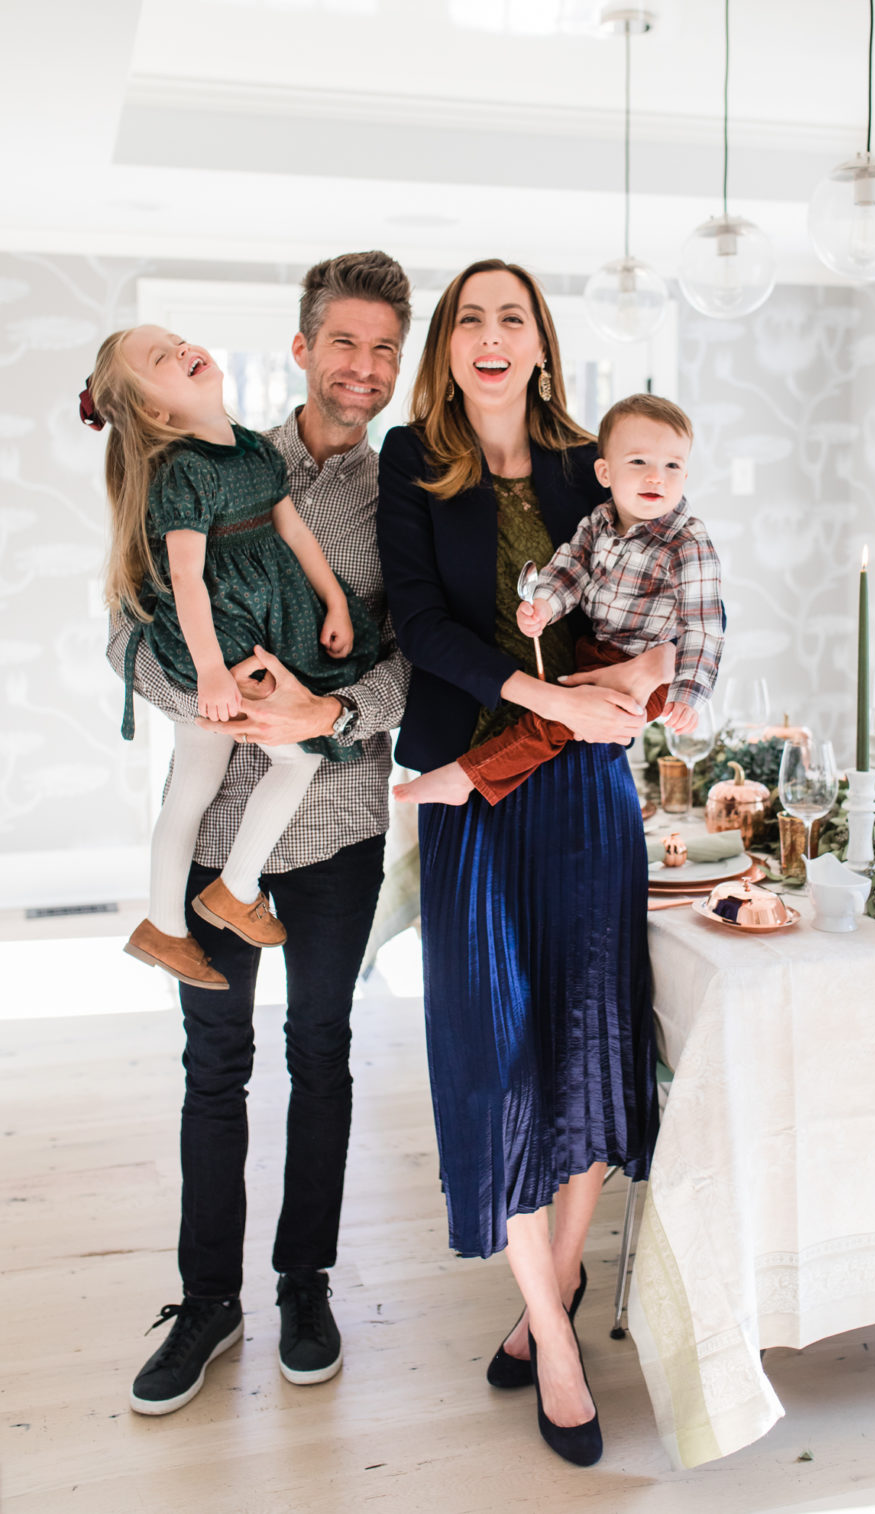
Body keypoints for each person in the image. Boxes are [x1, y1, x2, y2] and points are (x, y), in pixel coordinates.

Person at [106, 252, 411, 1416]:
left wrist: (329, 709)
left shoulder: (402, 500)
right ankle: (205, 1303)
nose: (363, 368)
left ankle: (303, 1282)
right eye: (344, 343)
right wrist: (211, 691)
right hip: (215, 825)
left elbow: (408, 667)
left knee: (323, 1053)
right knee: (214, 1067)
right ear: (301, 348)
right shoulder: (204, 454)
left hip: (333, 820)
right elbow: (125, 630)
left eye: (384, 348)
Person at [377, 258, 666, 1468]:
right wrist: (525, 692)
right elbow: (416, 622)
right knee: (494, 1057)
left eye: (513, 317)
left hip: (585, 788)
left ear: (540, 342)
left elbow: (654, 598)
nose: (490, 336)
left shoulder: (585, 460)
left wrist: (626, 690)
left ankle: (538, 1304)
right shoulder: (409, 460)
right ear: (448, 345)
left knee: (593, 1044)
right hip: (473, 800)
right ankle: (555, 1340)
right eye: (469, 319)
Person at [85, 326, 380, 988]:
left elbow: (295, 532)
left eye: (177, 339)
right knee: (293, 757)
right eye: (161, 358)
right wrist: (212, 671)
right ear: (157, 412)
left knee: (196, 783)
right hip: (211, 647)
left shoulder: (251, 449)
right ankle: (234, 888)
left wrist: (334, 601)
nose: (183, 348)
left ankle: (167, 925)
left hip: (248, 632)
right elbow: (185, 580)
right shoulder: (184, 474)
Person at [393, 393, 724, 807]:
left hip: (651, 673)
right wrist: (544, 606)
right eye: (639, 462)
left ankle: (468, 777)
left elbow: (705, 624)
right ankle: (474, 774)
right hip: (597, 651)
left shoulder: (686, 541)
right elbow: (570, 568)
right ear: (604, 472)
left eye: (672, 465)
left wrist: (687, 692)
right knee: (554, 708)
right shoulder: (600, 521)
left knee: (550, 723)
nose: (656, 477)